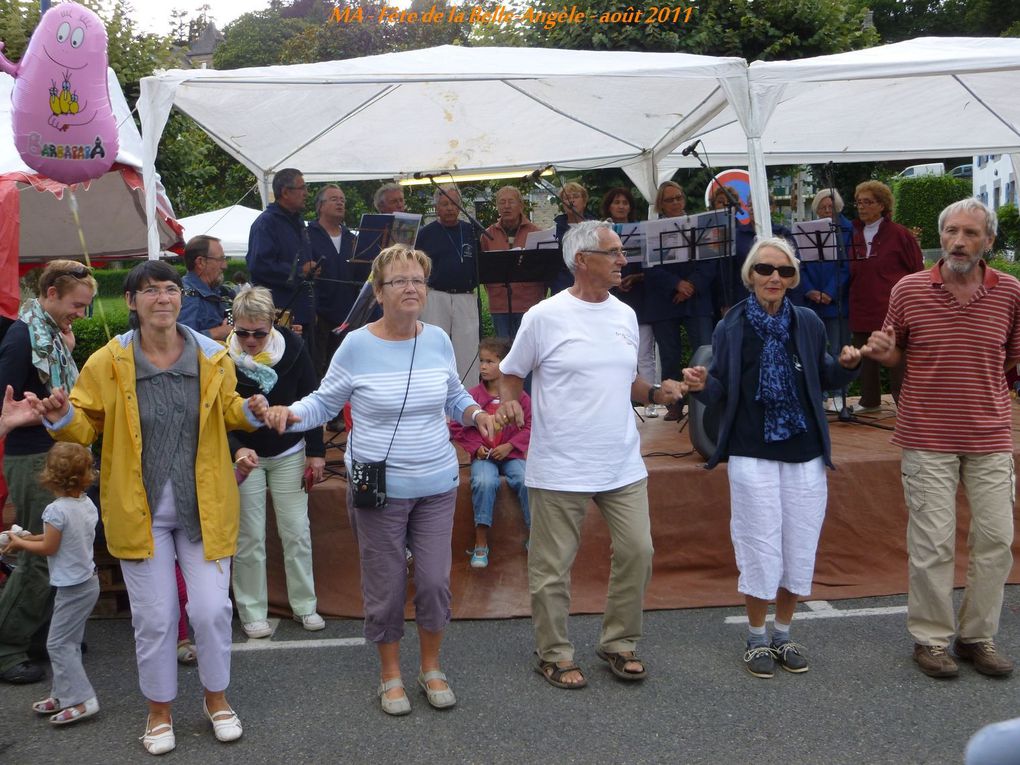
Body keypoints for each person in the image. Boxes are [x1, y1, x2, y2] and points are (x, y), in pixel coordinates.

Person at [27, 260, 267, 755]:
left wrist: (251, 410)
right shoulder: (107, 362)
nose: (163, 298)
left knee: (210, 610)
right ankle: (159, 713)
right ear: (132, 302)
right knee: (155, 618)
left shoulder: (210, 356)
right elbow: (85, 426)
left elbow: (228, 409)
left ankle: (216, 701)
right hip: (139, 511)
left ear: (181, 298)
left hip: (204, 506)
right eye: (150, 290)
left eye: (171, 289)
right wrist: (61, 416)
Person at [262, 244, 495, 716]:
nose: (411, 288)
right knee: (385, 586)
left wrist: (474, 413)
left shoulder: (438, 340)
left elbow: (452, 395)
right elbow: (325, 402)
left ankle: (431, 667)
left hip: (436, 481)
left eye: (417, 280)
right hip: (376, 484)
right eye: (399, 281)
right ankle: (390, 673)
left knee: (433, 583)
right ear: (378, 291)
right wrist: (290, 412)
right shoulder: (357, 344)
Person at [493, 220, 685, 689]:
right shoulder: (544, 316)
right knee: (552, 567)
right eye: (614, 253)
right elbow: (510, 373)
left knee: (639, 551)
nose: (624, 261)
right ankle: (554, 652)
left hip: (621, 460)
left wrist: (660, 392)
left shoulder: (623, 314)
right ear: (582, 260)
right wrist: (511, 399)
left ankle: (618, 643)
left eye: (622, 253)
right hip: (560, 464)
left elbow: (631, 382)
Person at [684, 237, 861, 678]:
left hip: (804, 454)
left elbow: (824, 378)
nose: (774, 278)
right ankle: (756, 637)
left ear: (793, 279)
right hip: (751, 451)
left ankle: (784, 633)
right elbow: (721, 389)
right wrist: (701, 384)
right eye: (765, 270)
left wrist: (849, 363)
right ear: (750, 275)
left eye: (783, 272)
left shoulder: (808, 321)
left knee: (798, 547)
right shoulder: (732, 326)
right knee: (759, 546)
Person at [860, 199, 1020, 680]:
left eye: (970, 233)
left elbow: (1012, 360)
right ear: (940, 236)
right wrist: (884, 353)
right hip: (927, 434)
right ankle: (930, 641)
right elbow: (893, 352)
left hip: (990, 435)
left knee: (996, 540)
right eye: (951, 231)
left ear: (988, 241)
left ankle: (976, 637)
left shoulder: (1011, 291)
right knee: (933, 543)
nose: (958, 241)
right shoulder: (909, 289)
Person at [0, 260, 97, 685]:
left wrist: (68, 350)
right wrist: (20, 418)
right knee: (44, 555)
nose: (82, 313)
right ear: (52, 293)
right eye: (77, 305)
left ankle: (43, 634)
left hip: (53, 453)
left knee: (60, 550)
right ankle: (6, 647)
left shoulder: (49, 337)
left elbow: (50, 390)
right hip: (34, 457)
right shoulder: (23, 338)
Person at [227, 286, 326, 638]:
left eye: (258, 332)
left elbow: (313, 399)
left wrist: (316, 451)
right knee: (249, 537)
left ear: (273, 323)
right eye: (241, 332)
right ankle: (252, 611)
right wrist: (236, 448)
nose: (250, 340)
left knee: (296, 531)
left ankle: (305, 606)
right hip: (244, 458)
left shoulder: (294, 349)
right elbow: (214, 415)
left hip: (288, 452)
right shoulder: (220, 358)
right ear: (232, 325)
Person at [3, 442, 99, 725]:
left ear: (50, 475)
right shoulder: (85, 504)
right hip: (87, 583)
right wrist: (25, 540)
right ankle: (62, 693)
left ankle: (82, 699)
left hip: (72, 588)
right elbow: (58, 540)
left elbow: (48, 548)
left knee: (57, 644)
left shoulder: (55, 511)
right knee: (66, 643)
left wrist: (21, 541)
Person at [449, 336, 531, 569]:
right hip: (484, 457)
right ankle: (481, 541)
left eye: (490, 362)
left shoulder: (520, 397)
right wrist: (478, 448)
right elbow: (458, 425)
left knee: (527, 480)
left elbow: (530, 425)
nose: (483, 366)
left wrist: (511, 446)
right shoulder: (472, 396)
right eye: (482, 361)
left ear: (504, 365)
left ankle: (536, 536)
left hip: (512, 455)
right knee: (484, 482)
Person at [644, 181, 717, 420]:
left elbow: (711, 261)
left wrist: (690, 286)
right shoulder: (653, 230)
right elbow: (650, 267)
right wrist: (676, 284)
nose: (675, 202)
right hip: (665, 300)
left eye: (678, 197)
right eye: (669, 199)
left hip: (697, 298)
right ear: (661, 205)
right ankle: (674, 403)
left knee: (704, 350)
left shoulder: (700, 226)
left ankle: (705, 405)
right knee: (670, 355)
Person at [848, 180, 923, 412]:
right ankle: (869, 401)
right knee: (866, 353)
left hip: (892, 306)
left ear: (882, 205)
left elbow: (917, 270)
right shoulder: (851, 232)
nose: (862, 207)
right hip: (861, 303)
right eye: (859, 202)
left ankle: (904, 403)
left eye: (868, 202)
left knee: (897, 357)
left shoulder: (900, 234)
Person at [246, 167, 315, 357]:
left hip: (302, 312)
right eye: (302, 188)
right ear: (285, 192)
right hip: (279, 314)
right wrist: (300, 271)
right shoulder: (266, 223)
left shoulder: (299, 223)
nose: (306, 193)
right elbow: (258, 266)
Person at [415, 185, 480, 383]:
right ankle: (434, 389)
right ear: (436, 208)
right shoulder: (426, 233)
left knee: (468, 350)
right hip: (436, 296)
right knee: (433, 346)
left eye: (454, 204)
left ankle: (469, 399)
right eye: (444, 204)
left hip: (466, 296)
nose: (450, 208)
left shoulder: (471, 230)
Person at [800, 189, 853, 410]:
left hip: (836, 300)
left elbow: (847, 265)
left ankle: (840, 394)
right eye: (822, 207)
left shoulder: (846, 229)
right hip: (812, 300)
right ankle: (818, 395)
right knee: (814, 349)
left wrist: (830, 292)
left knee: (838, 348)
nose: (827, 211)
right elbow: (799, 263)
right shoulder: (807, 230)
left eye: (831, 207)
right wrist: (809, 289)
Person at [602, 187, 656, 395]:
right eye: (617, 202)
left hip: (639, 297)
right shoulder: (601, 232)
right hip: (612, 297)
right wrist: (614, 282)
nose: (621, 206)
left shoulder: (643, 230)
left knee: (643, 353)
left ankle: (651, 399)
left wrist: (636, 277)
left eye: (625, 203)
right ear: (609, 206)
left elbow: (652, 266)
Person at [308, 185, 361, 375]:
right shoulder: (308, 235)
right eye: (334, 199)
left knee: (345, 369)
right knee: (319, 368)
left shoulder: (352, 239)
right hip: (319, 315)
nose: (340, 202)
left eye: (342, 200)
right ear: (320, 206)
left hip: (348, 316)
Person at [480, 186, 544, 339]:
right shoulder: (487, 235)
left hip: (530, 304)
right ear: (497, 206)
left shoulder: (537, 233)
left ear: (521, 205)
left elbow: (544, 271)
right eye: (502, 202)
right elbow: (484, 271)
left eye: (511, 202)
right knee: (503, 352)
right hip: (499, 305)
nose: (506, 206)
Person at [179, 235, 234, 342]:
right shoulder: (187, 296)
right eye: (221, 259)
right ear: (201, 262)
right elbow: (180, 340)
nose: (225, 266)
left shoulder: (215, 290)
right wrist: (219, 332)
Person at [548, 181, 594, 295]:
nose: (571, 200)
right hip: (563, 285)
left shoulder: (595, 227)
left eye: (576, 197)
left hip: (592, 282)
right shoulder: (554, 230)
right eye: (567, 197)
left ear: (584, 202)